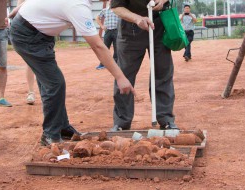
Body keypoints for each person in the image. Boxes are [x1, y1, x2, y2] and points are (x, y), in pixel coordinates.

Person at [9, 0, 135, 146]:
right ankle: (50, 134)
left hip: (38, 34)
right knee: (55, 83)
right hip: (27, 36)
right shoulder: (78, 6)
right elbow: (98, 46)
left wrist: (22, 6)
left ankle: (61, 127)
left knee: (50, 82)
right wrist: (120, 77)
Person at [110, 0, 179, 131]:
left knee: (162, 72)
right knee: (125, 74)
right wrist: (137, 18)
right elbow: (116, 7)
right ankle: (122, 122)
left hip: (159, 24)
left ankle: (166, 119)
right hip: (131, 28)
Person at [95, 0, 119, 70]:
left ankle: (115, 65)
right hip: (108, 31)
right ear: (108, 2)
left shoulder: (117, 10)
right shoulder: (104, 10)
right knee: (105, 48)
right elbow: (97, 18)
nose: (111, 2)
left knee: (117, 49)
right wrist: (102, 26)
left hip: (116, 31)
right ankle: (102, 64)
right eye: (110, 1)